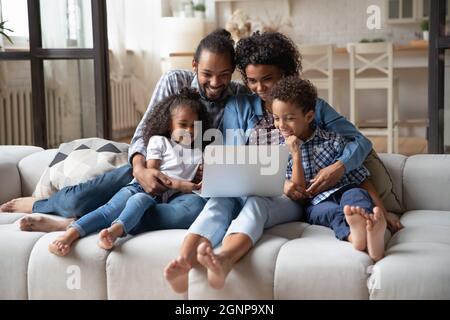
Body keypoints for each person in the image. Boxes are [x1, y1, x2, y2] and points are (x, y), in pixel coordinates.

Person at [164, 31, 402, 293]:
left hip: (288, 198)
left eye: (268, 79)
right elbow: (232, 158)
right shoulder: (239, 106)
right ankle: (184, 262)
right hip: (248, 186)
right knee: (219, 202)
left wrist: (339, 167)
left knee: (257, 204)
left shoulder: (312, 107)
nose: (260, 88)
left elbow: (359, 142)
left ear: (285, 74)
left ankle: (224, 259)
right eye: (252, 81)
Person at [1, 29, 247, 234]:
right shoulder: (174, 81)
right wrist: (141, 170)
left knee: (191, 213)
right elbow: (142, 135)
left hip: (186, 183)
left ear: (233, 71)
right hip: (152, 166)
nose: (215, 83)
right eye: (207, 74)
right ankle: (40, 205)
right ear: (194, 65)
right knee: (75, 200)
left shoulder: (238, 97)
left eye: (224, 75)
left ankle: (78, 224)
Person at [48, 88, 207, 256]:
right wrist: (182, 185)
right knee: (111, 209)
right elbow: (153, 174)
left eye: (193, 126)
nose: (189, 130)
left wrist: (204, 179)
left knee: (147, 204)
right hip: (142, 188)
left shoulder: (198, 153)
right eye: (183, 124)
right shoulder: (159, 142)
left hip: (166, 199)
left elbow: (202, 180)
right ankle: (68, 235)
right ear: (169, 125)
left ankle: (115, 231)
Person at [272, 76, 387, 261]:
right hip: (315, 203)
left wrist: (384, 212)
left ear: (309, 116)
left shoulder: (332, 140)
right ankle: (355, 236)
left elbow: (362, 179)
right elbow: (299, 191)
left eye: (289, 118)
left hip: (345, 190)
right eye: (276, 118)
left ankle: (373, 236)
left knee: (357, 197)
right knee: (332, 213)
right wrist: (296, 154)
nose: (281, 125)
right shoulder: (279, 149)